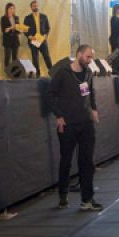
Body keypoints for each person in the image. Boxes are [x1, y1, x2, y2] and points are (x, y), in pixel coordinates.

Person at [48, 44, 100, 211]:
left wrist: (93, 109)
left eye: (91, 57)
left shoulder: (88, 73)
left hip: (86, 123)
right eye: (88, 57)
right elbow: (50, 95)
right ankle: (63, 196)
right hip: (68, 124)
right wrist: (59, 116)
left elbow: (90, 92)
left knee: (87, 162)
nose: (90, 60)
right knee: (66, 161)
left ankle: (87, 199)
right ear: (79, 55)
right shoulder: (63, 73)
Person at [24, 1, 53, 75]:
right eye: (34, 6)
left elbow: (48, 28)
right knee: (35, 57)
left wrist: (45, 35)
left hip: (42, 40)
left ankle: (52, 71)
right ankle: (37, 73)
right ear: (31, 7)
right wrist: (29, 36)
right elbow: (25, 30)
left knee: (46, 56)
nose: (36, 7)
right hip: (33, 41)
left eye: (36, 6)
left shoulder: (44, 17)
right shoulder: (27, 18)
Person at [0, 3, 22, 77]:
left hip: (15, 40)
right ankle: (7, 74)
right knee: (7, 57)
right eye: (10, 8)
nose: (12, 10)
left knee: (15, 58)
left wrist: (20, 28)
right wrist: (11, 27)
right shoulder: (3, 18)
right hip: (7, 40)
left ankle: (15, 74)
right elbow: (4, 30)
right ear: (7, 9)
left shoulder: (16, 18)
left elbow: (19, 30)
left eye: (13, 8)